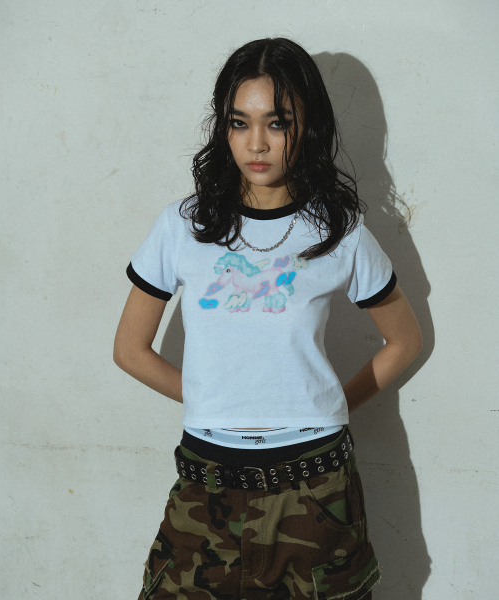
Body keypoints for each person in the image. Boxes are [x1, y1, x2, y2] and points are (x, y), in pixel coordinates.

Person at [114, 37, 422, 600]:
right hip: (206, 487)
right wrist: (212, 395)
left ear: (308, 127)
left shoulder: (340, 230)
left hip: (315, 489)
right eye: (239, 122)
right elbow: (129, 350)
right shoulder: (182, 226)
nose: (256, 144)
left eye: (277, 123)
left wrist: (324, 404)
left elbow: (404, 340)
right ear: (224, 127)